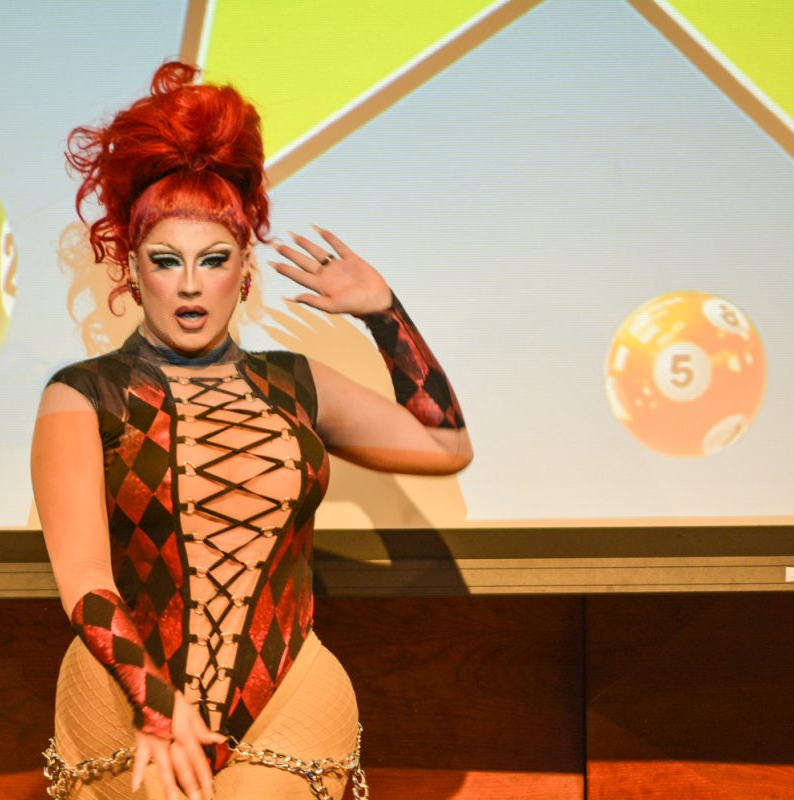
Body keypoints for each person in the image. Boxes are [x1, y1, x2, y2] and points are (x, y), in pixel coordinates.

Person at [34, 61, 472, 800]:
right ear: (133, 270)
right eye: (165, 261)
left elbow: (444, 445)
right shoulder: (85, 395)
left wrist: (383, 313)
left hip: (288, 691)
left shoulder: (294, 384)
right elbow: (85, 585)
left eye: (214, 260)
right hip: (124, 686)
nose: (191, 283)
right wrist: (156, 704)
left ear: (244, 270)